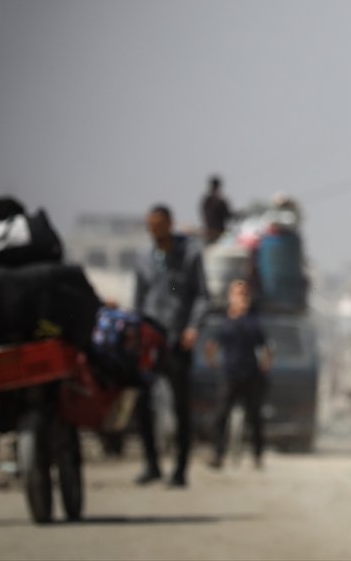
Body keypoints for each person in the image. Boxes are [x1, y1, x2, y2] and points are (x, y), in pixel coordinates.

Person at [133, 204, 209, 487]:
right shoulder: (142, 258)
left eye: (159, 225)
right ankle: (151, 463)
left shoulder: (189, 255)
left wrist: (193, 328)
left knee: (181, 406)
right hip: (149, 339)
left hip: (178, 340)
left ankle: (180, 469)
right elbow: (139, 298)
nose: (154, 231)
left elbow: (202, 295)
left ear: (169, 224)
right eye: (150, 226)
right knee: (142, 402)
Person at [205, 279, 272, 470]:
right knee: (221, 416)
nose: (241, 297)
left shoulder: (254, 320)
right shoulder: (225, 322)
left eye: (244, 293)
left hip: (251, 374)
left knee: (255, 418)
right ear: (230, 296)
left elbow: (266, 346)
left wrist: (266, 364)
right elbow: (212, 345)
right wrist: (213, 361)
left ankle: (258, 456)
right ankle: (218, 453)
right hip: (230, 374)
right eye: (237, 293)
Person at [200, 175, 232, 244]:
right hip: (218, 234)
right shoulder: (219, 201)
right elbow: (228, 215)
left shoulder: (206, 201)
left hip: (209, 234)